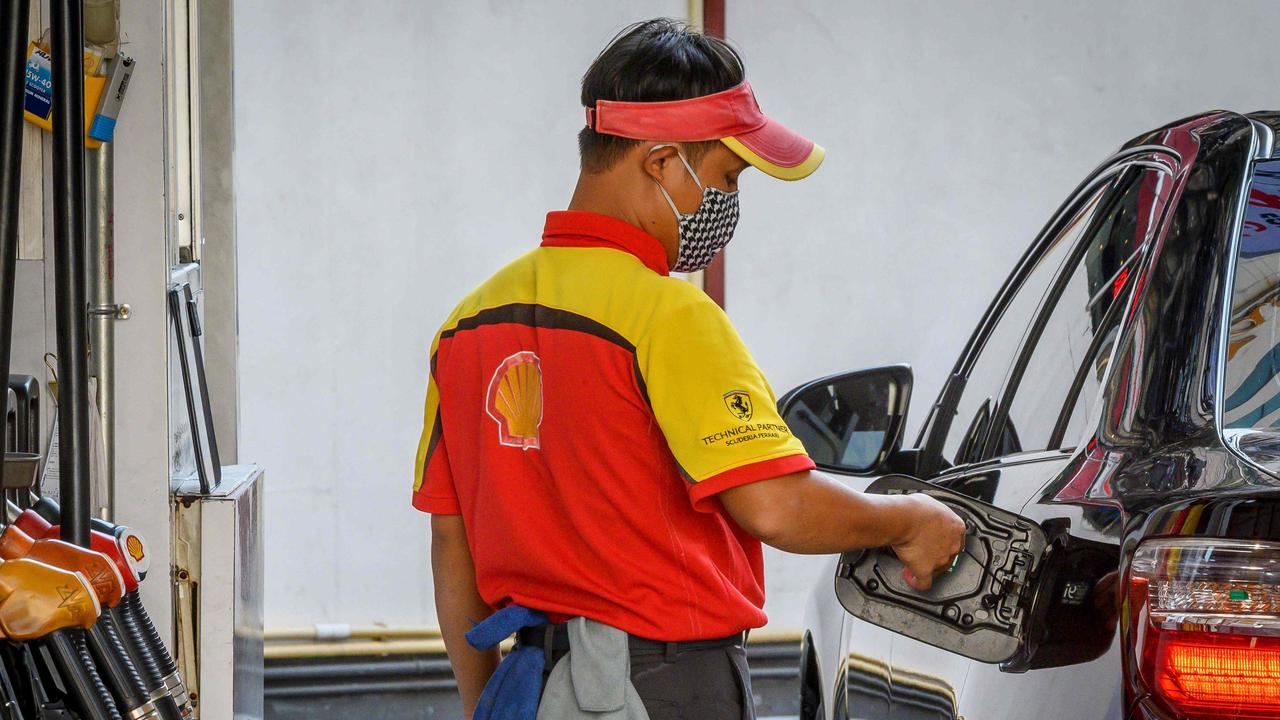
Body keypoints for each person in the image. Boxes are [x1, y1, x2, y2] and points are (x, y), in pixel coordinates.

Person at [413, 18, 965, 719]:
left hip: (526, 686)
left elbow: (449, 540)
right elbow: (775, 503)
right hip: (665, 686)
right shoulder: (669, 315)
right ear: (661, 162)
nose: (730, 202)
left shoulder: (469, 324)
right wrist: (908, 520)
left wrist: (480, 702)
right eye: (728, 176)